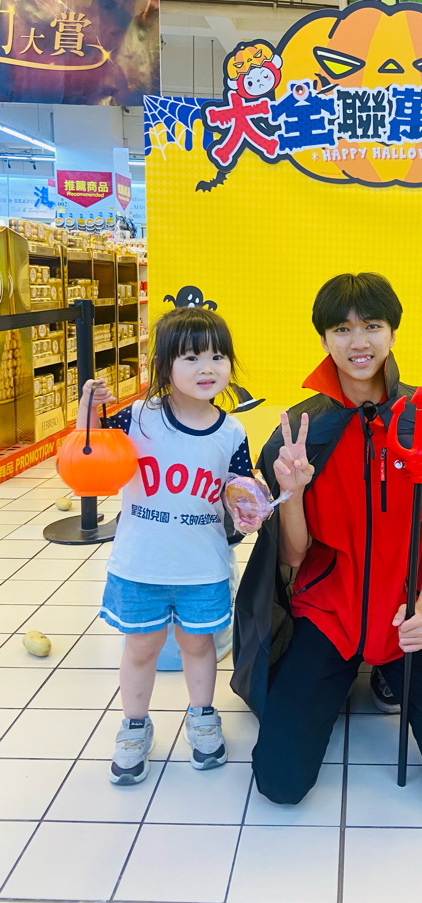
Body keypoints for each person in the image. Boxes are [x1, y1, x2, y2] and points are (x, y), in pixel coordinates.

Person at [232, 272, 422, 805]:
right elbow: (292, 556)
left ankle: (381, 671)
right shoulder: (301, 429)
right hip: (327, 618)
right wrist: (292, 492)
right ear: (324, 339)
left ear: (393, 333)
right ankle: (344, 676)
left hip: (406, 621)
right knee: (280, 783)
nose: (359, 342)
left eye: (372, 326)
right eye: (342, 329)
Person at [80, 307, 260, 785]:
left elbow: (239, 491)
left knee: (199, 646)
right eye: (191, 357)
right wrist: (88, 409)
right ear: (163, 365)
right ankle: (134, 727)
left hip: (203, 568)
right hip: (140, 565)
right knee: (140, 648)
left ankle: (202, 717)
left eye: (217, 356)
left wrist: (251, 507)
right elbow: (89, 454)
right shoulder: (138, 418)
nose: (207, 368)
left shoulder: (232, 431)